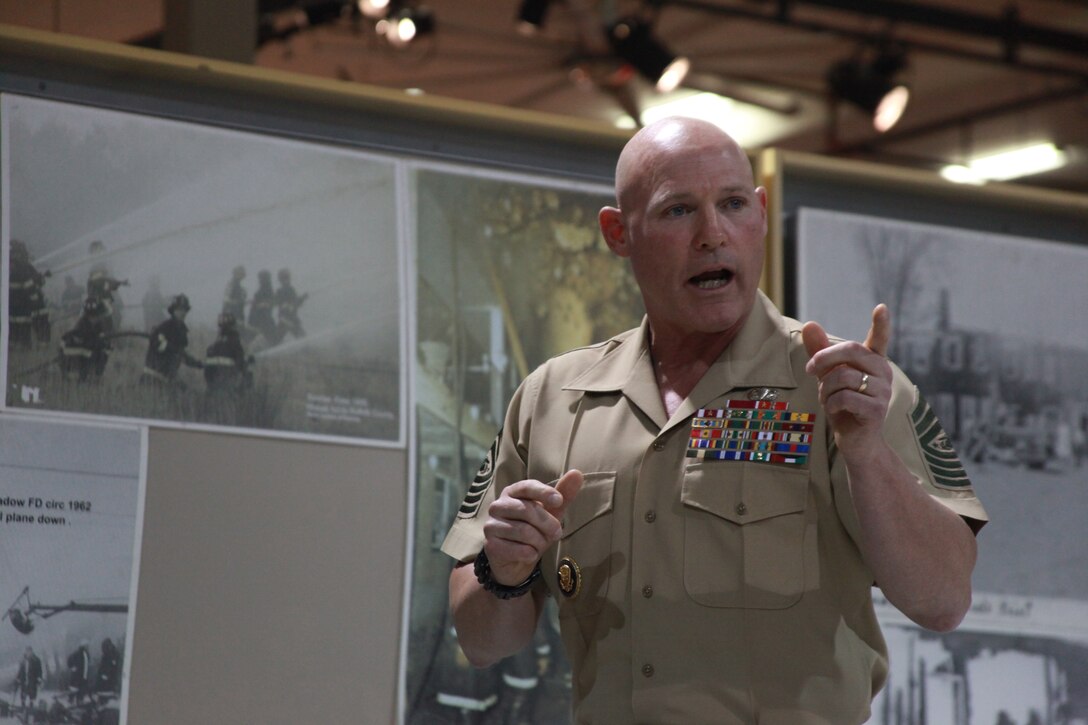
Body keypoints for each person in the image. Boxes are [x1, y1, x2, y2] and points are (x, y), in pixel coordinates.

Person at [441, 118, 987, 723]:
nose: (712, 234)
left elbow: (944, 601)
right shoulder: (549, 398)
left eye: (731, 204)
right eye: (678, 211)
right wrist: (506, 570)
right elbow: (481, 640)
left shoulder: (846, 388)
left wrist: (866, 453)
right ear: (618, 232)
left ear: (758, 214)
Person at [142, 294, 203, 387]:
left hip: (165, 380)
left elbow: (182, 354)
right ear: (173, 311)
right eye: (179, 309)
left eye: (184, 309)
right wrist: (172, 349)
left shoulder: (181, 330)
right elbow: (156, 344)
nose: (182, 312)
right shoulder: (165, 327)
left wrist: (199, 364)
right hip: (152, 378)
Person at [59, 297, 113, 382]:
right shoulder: (87, 323)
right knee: (104, 350)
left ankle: (90, 376)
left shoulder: (82, 323)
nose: (94, 318)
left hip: (77, 364)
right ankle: (94, 376)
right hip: (84, 361)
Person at [204, 312, 252, 394]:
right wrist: (248, 361)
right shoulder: (235, 344)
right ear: (232, 327)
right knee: (249, 375)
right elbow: (240, 364)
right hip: (228, 389)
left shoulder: (213, 347)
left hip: (213, 389)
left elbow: (207, 371)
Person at [274, 268, 307, 341]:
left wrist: (301, 299)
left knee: (276, 340)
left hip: (284, 318)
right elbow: (295, 303)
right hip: (289, 319)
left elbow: (292, 303)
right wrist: (303, 298)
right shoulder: (289, 289)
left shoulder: (279, 291)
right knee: (303, 338)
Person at [248, 269, 279, 346]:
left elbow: (271, 301)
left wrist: (263, 304)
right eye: (260, 278)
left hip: (263, 317)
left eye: (262, 278)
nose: (260, 280)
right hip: (260, 316)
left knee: (271, 335)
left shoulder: (267, 289)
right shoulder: (264, 289)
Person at [15, 646, 43, 712]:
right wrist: (18, 678)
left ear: (32, 652)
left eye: (29, 651)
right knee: (23, 691)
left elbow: (39, 670)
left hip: (32, 678)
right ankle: (23, 704)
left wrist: (39, 678)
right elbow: (20, 670)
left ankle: (31, 704)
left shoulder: (36, 659)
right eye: (27, 651)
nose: (28, 653)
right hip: (24, 678)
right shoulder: (23, 660)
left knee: (32, 692)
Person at [67, 640, 92, 705]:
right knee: (74, 690)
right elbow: (69, 660)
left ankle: (79, 702)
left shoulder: (87, 654)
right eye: (86, 646)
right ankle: (71, 702)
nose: (88, 647)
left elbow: (87, 665)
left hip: (84, 676)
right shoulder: (77, 653)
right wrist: (72, 667)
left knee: (81, 691)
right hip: (77, 676)